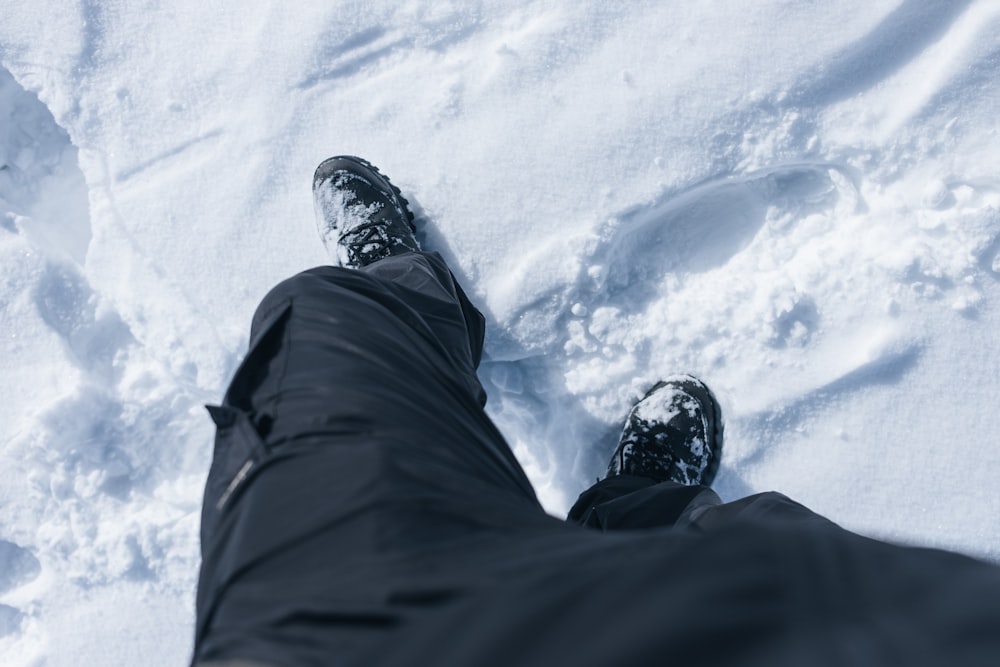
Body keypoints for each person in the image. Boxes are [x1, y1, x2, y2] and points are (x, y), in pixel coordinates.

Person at [191, 157, 1000, 667]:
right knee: (745, 552)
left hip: (328, 632)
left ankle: (408, 296)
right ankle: (642, 509)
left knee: (327, 324)